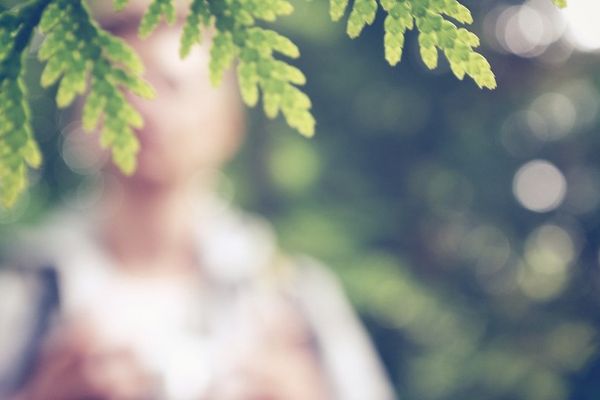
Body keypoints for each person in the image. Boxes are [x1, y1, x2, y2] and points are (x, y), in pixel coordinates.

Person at [0, 1, 394, 399]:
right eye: (124, 84)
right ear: (85, 113)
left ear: (229, 122)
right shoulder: (25, 294)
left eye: (174, 86)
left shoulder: (292, 299)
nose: (146, 106)